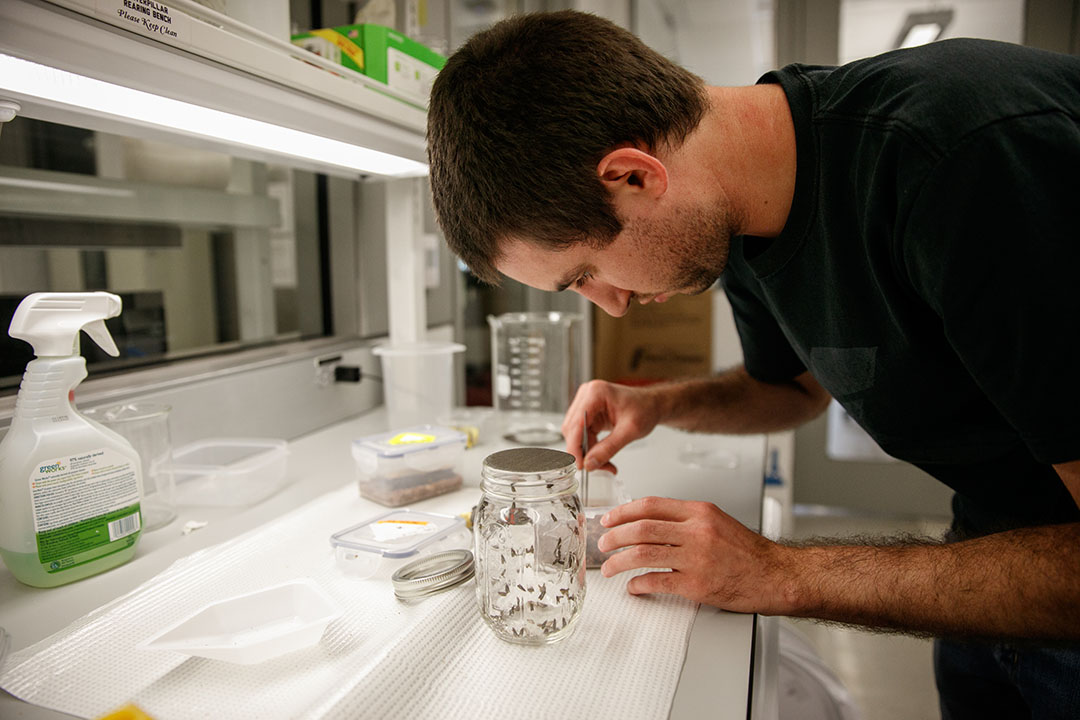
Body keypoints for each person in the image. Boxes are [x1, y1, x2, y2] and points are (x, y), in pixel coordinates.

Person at [427, 10, 1080, 718]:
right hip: (988, 565)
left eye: (584, 273)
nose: (610, 307)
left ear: (634, 176)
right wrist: (659, 404)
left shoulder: (963, 158)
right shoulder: (739, 214)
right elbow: (792, 391)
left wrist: (779, 572)